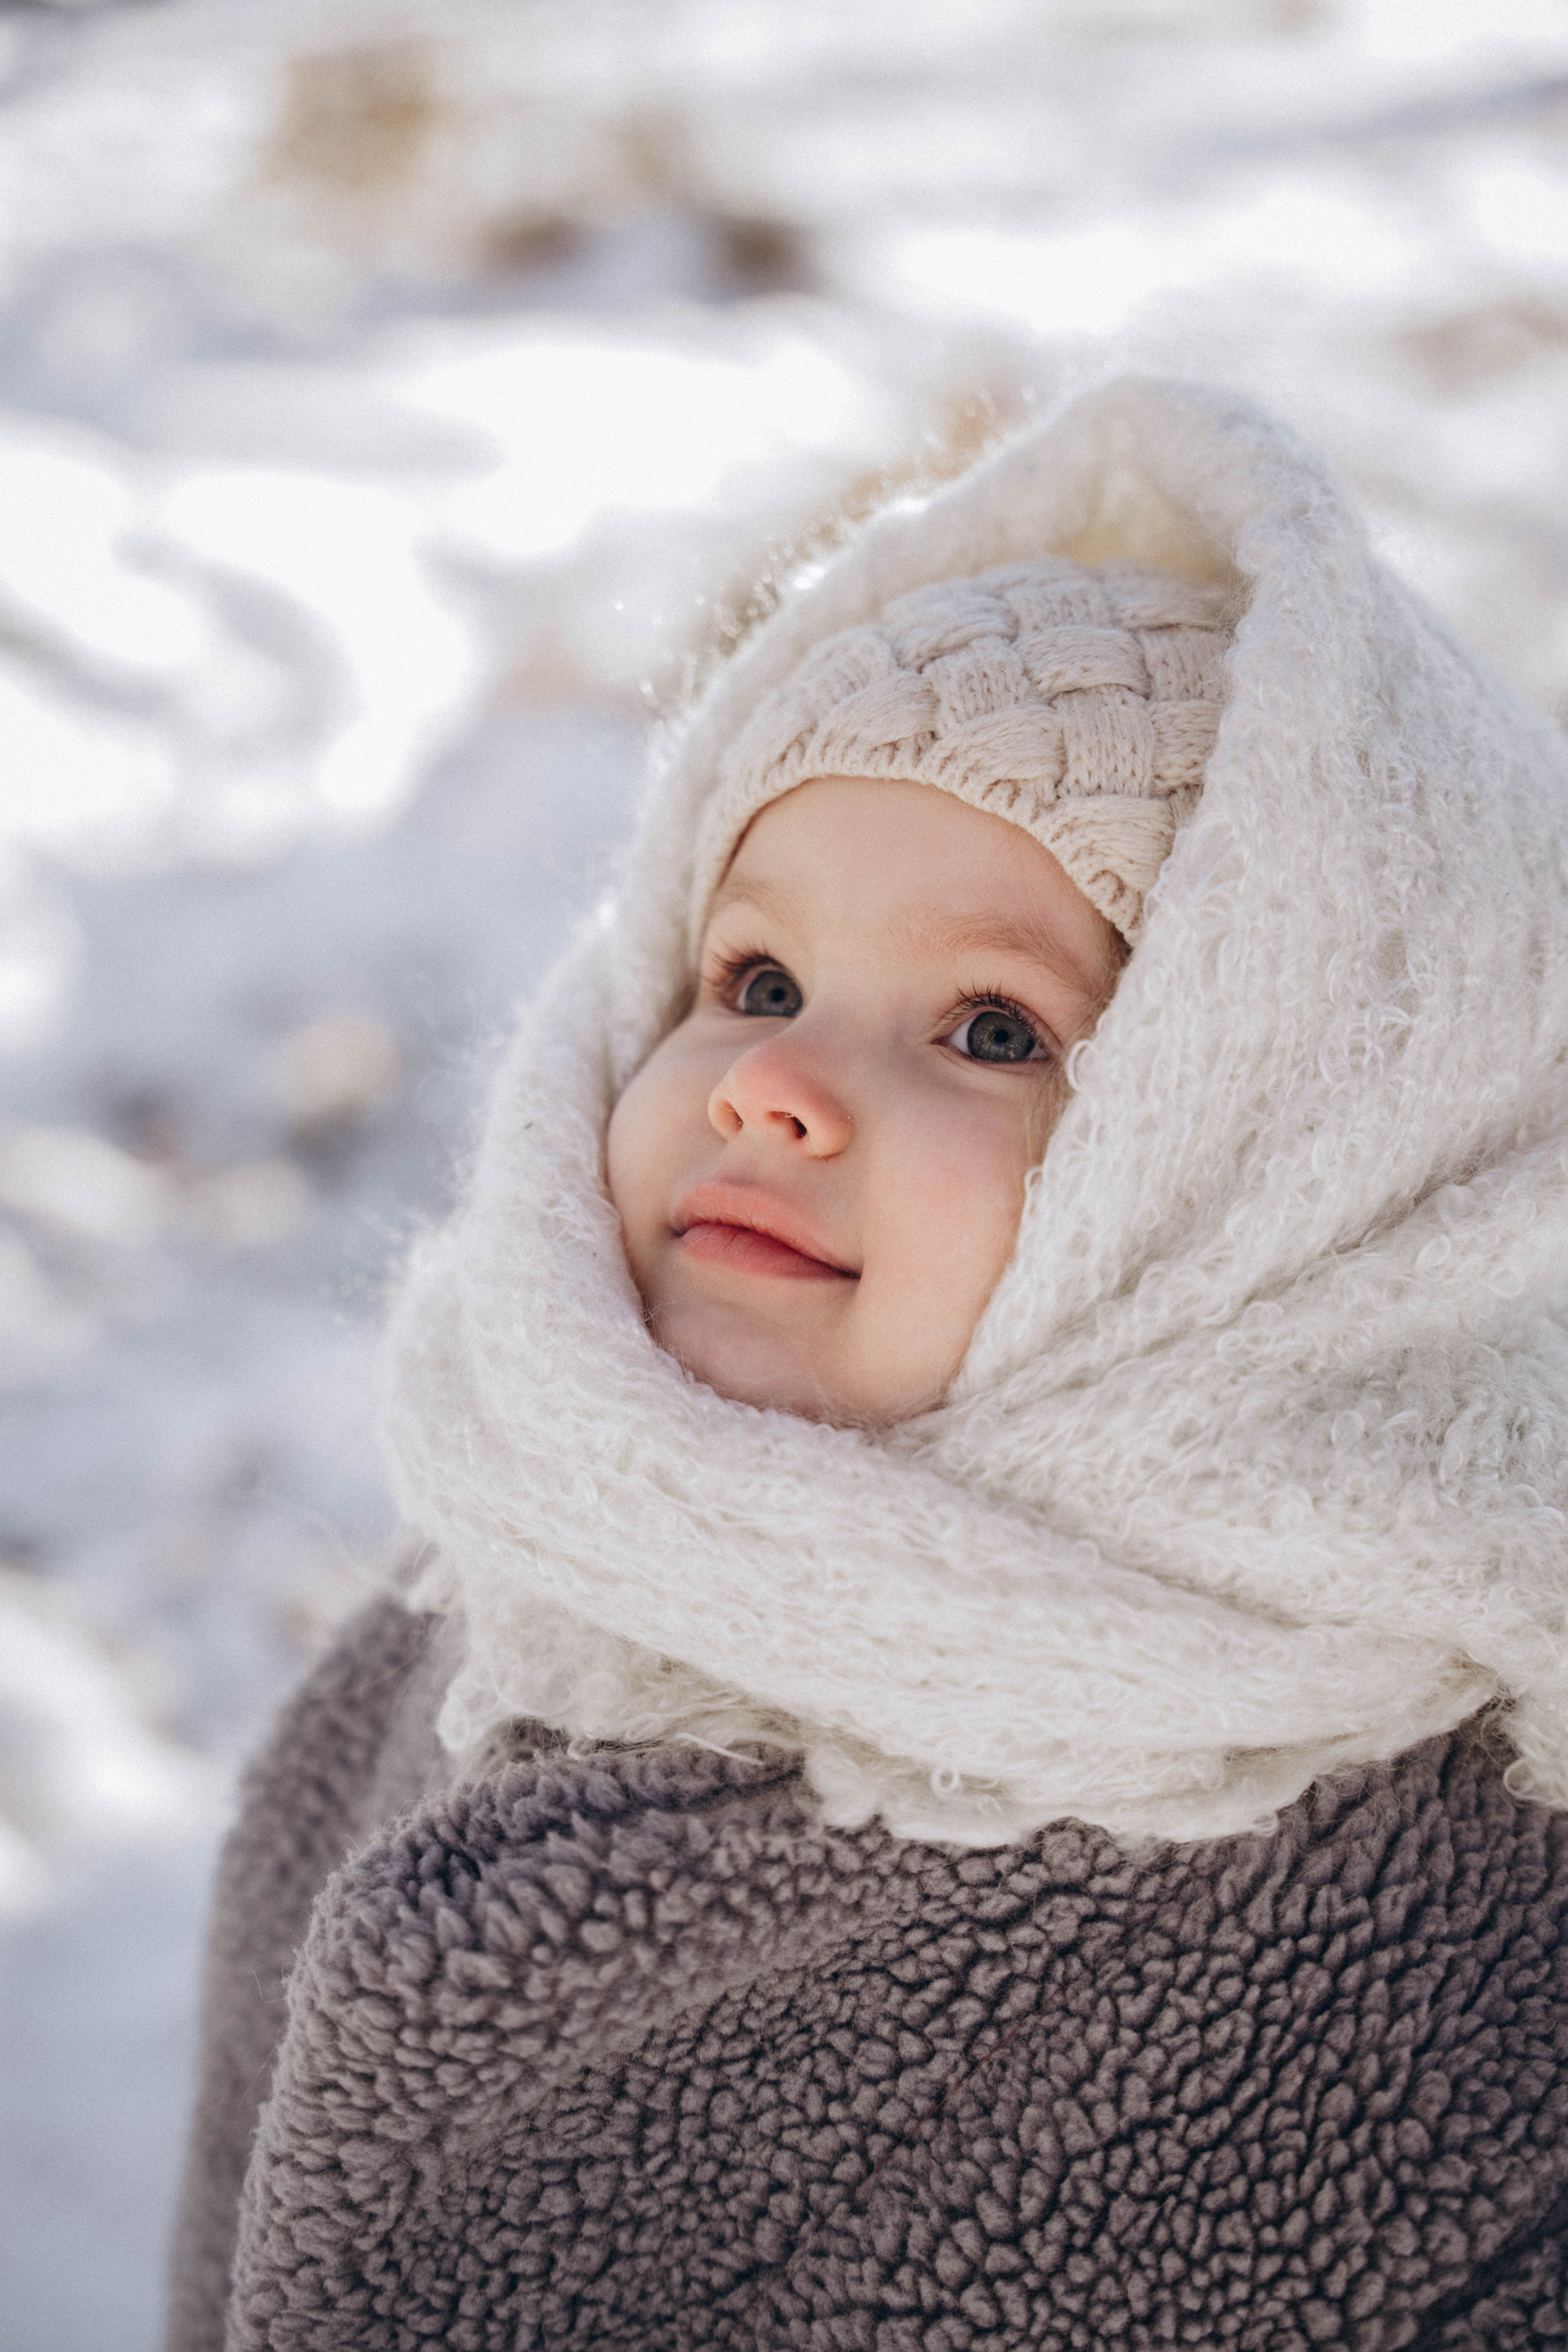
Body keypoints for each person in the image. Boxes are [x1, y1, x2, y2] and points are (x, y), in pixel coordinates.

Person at [167, 378, 1568, 2352]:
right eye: (753, 981)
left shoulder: (1455, 1953)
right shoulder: (485, 1602)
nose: (777, 1089)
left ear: (1278, 1184)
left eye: (994, 1029)